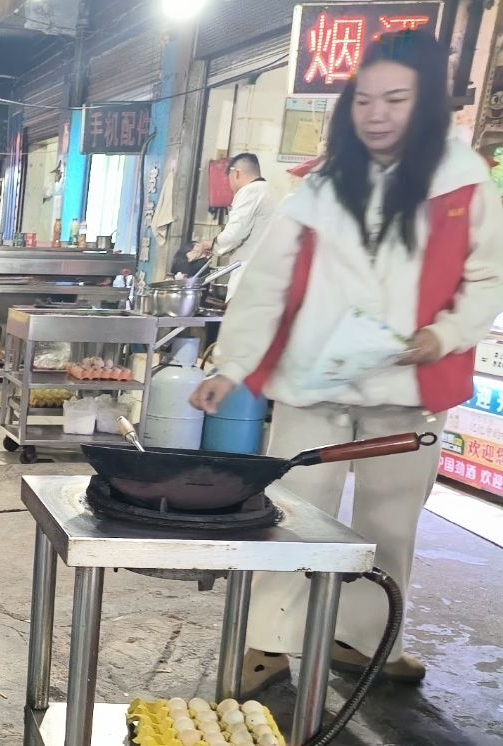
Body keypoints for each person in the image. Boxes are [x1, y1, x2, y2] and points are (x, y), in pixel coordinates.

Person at [191, 31, 503, 695]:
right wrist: (232, 364)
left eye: (396, 99)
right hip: (314, 383)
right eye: (364, 100)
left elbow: (487, 279)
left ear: (429, 104)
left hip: (407, 387)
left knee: (389, 523)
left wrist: (444, 334)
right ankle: (266, 644)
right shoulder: (322, 186)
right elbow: (268, 283)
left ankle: (363, 639)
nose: (377, 114)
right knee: (290, 514)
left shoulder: (466, 186)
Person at [190, 152, 278, 300]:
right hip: (267, 274)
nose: (230, 185)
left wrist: (212, 244)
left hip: (248, 276)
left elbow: (235, 233)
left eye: (228, 178)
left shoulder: (249, 191)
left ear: (236, 173)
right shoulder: (270, 190)